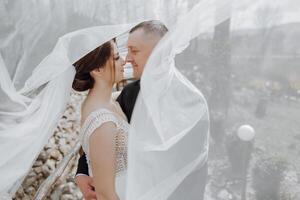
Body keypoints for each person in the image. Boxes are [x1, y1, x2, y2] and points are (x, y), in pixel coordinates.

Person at [75, 20, 208, 200]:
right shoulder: (130, 94)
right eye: (126, 51)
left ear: (159, 53)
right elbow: (99, 135)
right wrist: (82, 172)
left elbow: (195, 172)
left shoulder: (193, 104)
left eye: (134, 51)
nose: (127, 58)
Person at [73, 38, 128, 199]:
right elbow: (105, 194)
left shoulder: (107, 101)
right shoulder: (102, 122)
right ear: (97, 69)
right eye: (117, 57)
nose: (124, 61)